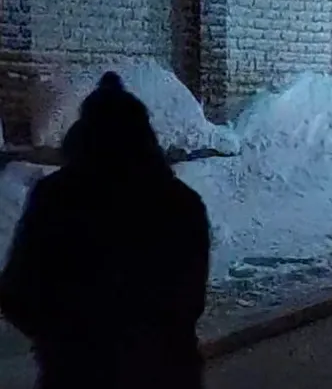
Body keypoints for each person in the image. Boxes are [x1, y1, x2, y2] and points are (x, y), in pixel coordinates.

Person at [0, 72, 211, 389]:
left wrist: (63, 334)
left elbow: (19, 294)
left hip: (76, 372)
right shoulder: (181, 204)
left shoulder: (56, 200)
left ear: (82, 137)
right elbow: (190, 299)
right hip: (165, 373)